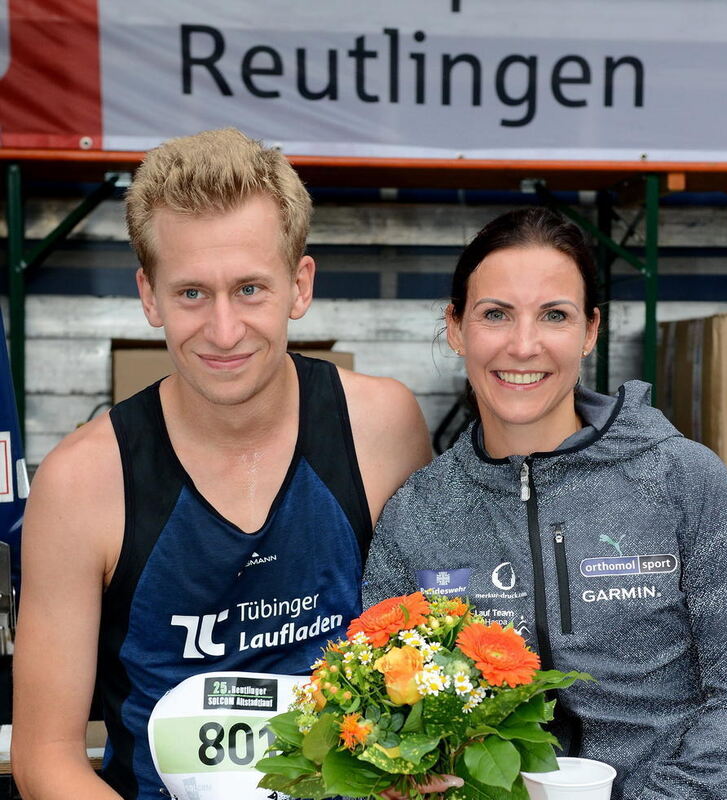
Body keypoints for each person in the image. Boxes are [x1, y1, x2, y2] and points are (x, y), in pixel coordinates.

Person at [11, 128, 432, 800]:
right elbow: (45, 759)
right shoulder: (81, 483)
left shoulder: (382, 428)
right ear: (149, 296)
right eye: (191, 294)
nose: (225, 330)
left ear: (299, 286)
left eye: (250, 290)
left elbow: (434, 671)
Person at [363, 207, 727, 800]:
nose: (524, 344)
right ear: (456, 327)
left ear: (589, 331)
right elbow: (385, 707)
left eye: (554, 315)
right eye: (495, 315)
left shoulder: (681, 477)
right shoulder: (417, 514)